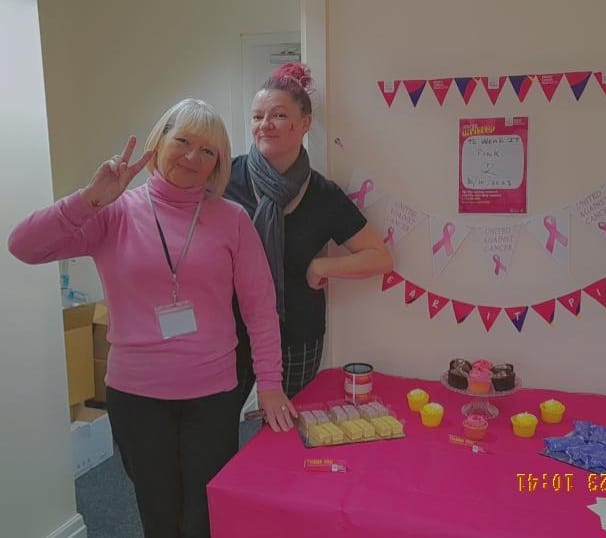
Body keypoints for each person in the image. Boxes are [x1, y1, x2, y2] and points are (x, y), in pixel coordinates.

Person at [8, 98, 295, 538]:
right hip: (137, 397)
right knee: (158, 513)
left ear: (219, 162)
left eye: (208, 151)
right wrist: (88, 200)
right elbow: (24, 246)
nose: (192, 157)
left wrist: (270, 385)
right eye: (182, 141)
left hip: (213, 395)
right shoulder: (115, 213)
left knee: (204, 514)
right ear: (157, 143)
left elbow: (260, 308)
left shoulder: (232, 219)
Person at [224, 63, 393, 415]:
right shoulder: (226, 180)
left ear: (304, 124)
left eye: (278, 115)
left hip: (296, 333)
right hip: (229, 331)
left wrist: (322, 266)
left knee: (286, 432)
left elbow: (379, 257)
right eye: (257, 116)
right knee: (219, 428)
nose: (264, 124)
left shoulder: (322, 193)